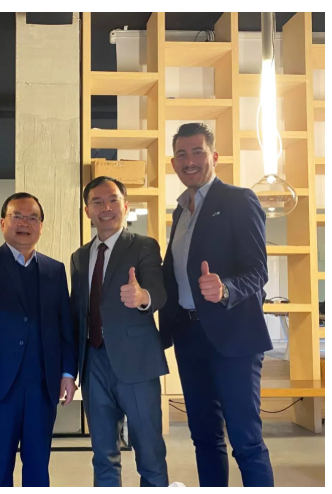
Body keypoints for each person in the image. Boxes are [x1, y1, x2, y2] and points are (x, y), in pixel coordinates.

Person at [160, 122, 274, 487]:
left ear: (215, 156)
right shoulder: (180, 212)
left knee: (246, 440)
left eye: (198, 152)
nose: (189, 161)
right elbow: (173, 274)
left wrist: (225, 288)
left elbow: (258, 271)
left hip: (233, 336)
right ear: (173, 162)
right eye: (181, 154)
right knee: (204, 437)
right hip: (189, 336)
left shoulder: (239, 200)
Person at [0, 192, 77, 487]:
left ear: (41, 226)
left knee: (38, 465)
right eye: (17, 216)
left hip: (42, 382)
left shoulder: (55, 270)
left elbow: (65, 324)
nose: (24, 223)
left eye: (32, 217)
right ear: (3, 223)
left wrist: (68, 373)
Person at [70, 176, 169, 487]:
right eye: (97, 202)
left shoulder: (143, 246)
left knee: (149, 452)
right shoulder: (79, 257)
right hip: (93, 363)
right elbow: (77, 313)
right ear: (87, 210)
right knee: (103, 454)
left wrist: (142, 297)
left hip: (137, 362)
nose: (106, 208)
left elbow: (159, 292)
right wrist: (70, 369)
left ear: (126, 207)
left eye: (113, 200)